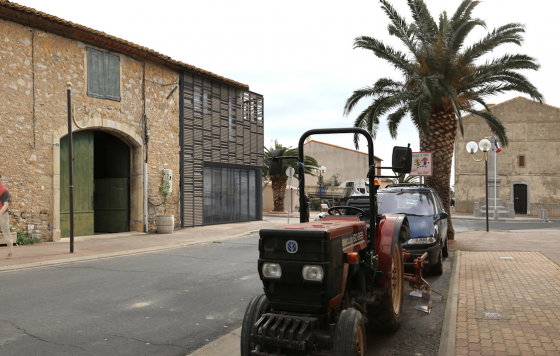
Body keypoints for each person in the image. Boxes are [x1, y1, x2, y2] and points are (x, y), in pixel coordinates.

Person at [0, 174, 13, 259]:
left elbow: (5, 205)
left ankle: (10, 251)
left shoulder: (4, 191)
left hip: (3, 214)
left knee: (6, 232)